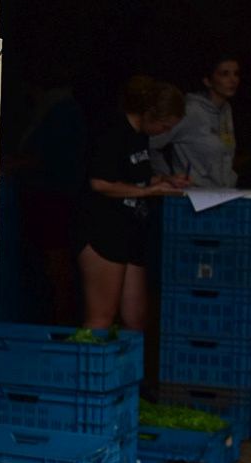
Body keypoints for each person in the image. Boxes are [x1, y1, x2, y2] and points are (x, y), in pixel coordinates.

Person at [76, 76, 186, 330]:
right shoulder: (112, 131)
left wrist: (166, 180)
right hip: (103, 230)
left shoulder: (140, 136)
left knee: (135, 316)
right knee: (101, 316)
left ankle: (130, 367)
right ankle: (91, 366)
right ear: (149, 114)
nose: (164, 132)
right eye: (164, 126)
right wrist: (149, 191)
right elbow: (100, 182)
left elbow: (136, 175)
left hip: (131, 230)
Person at [150, 56, 239, 188]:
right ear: (208, 81)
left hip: (222, 193)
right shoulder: (191, 111)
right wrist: (166, 177)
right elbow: (152, 143)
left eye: (236, 74)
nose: (233, 80)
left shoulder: (226, 110)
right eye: (224, 74)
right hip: (193, 196)